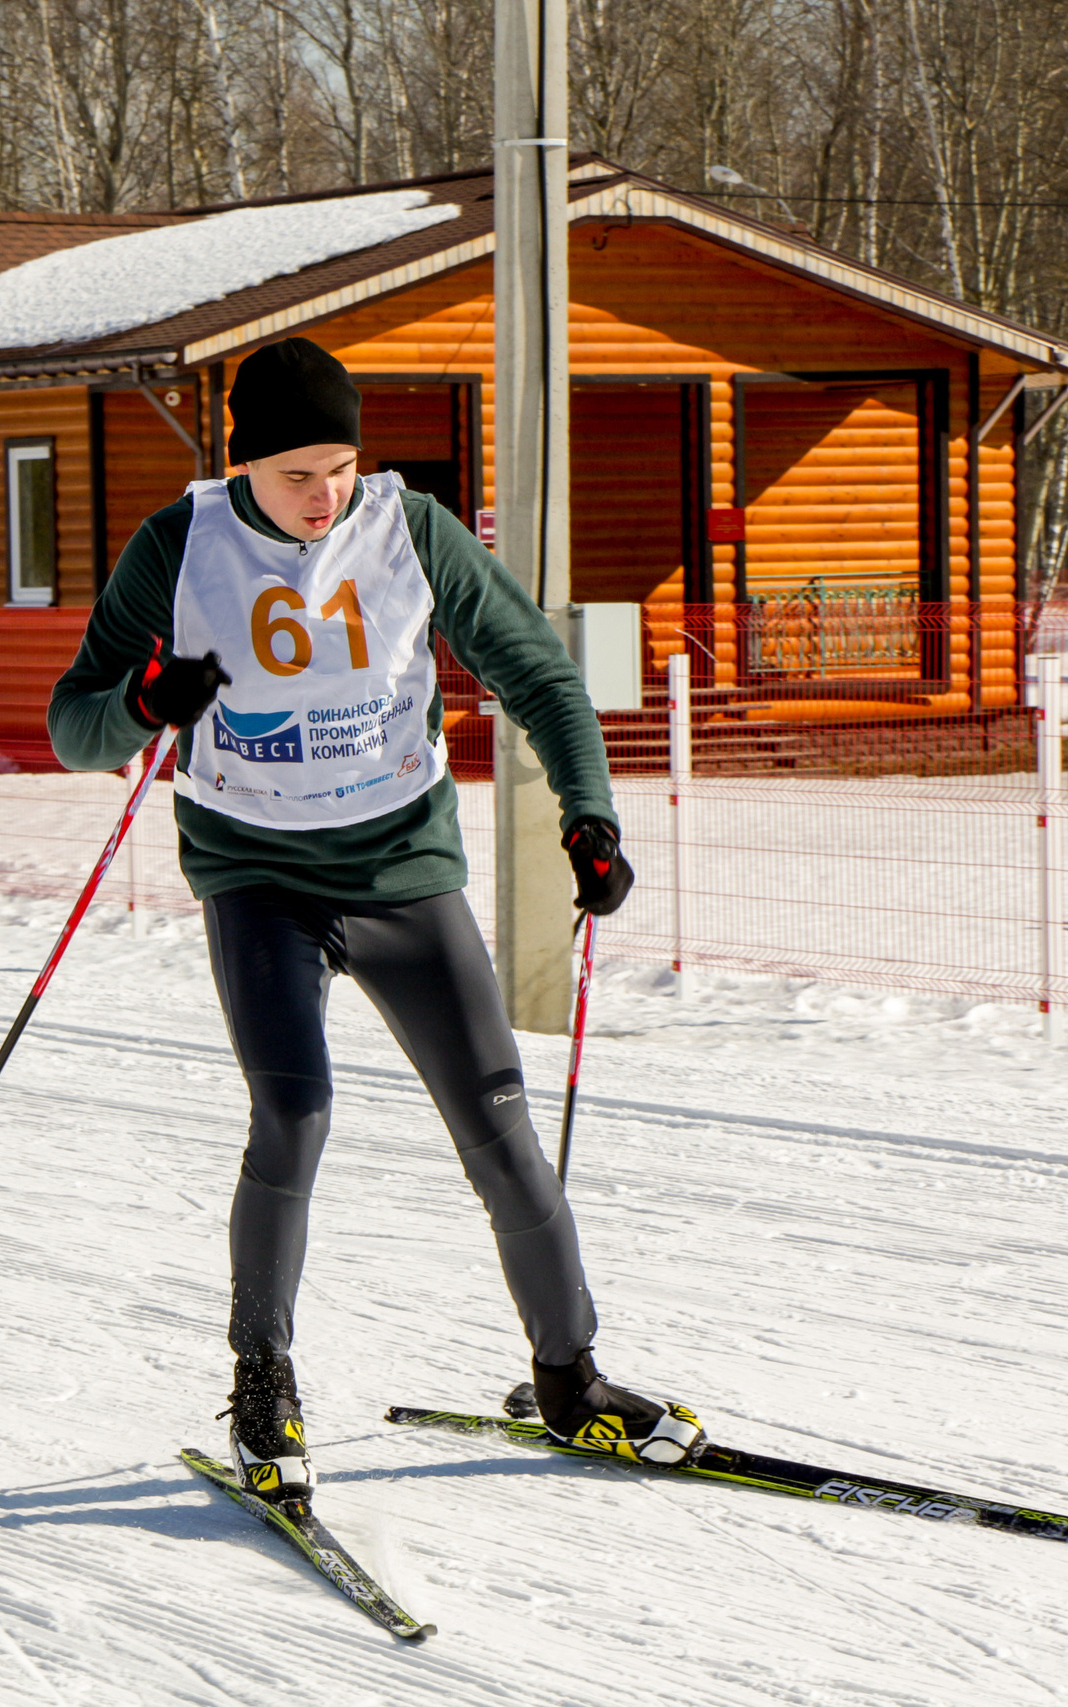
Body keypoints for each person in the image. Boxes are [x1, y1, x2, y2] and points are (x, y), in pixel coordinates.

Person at [48, 338, 694, 1508]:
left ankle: (569, 1379)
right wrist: (145, 703)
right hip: (257, 878)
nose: (324, 496)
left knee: (500, 1124)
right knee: (294, 1112)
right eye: (299, 473)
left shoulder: (411, 529)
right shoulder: (178, 546)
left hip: (403, 869)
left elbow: (541, 675)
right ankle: (263, 1384)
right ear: (245, 463)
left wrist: (589, 819)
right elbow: (73, 728)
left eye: (342, 466)